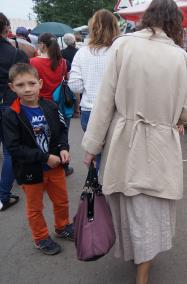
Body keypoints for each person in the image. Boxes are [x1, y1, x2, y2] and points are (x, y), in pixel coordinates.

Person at [81, 0, 187, 282]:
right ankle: (143, 269)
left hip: (125, 140)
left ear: (147, 18)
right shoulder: (180, 56)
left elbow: (105, 102)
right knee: (153, 207)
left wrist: (92, 147)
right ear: (174, 23)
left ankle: (137, 258)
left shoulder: (123, 46)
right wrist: (175, 121)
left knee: (130, 204)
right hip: (161, 144)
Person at [2, 63, 74, 255]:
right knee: (35, 208)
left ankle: (62, 226)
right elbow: (13, 148)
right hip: (30, 171)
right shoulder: (11, 114)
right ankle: (41, 237)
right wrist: (44, 157)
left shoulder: (50, 106)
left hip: (55, 168)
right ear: (12, 87)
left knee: (62, 201)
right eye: (20, 85)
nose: (27, 89)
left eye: (31, 83)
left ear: (40, 84)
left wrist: (63, 148)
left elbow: (61, 131)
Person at [68, 9, 120, 134]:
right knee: (115, 153)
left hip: (90, 111)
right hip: (115, 111)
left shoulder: (81, 53)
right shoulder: (120, 51)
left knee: (93, 152)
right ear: (115, 27)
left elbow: (76, 87)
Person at [30, 33, 74, 176]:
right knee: (62, 134)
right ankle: (64, 164)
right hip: (60, 105)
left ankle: (43, 167)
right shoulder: (63, 62)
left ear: (42, 44)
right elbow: (66, 80)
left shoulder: (34, 62)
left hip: (41, 105)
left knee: (42, 137)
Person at [0, 13, 28, 211]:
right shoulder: (15, 52)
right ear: (7, 27)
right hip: (8, 105)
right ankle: (2, 196)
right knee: (10, 151)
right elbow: (26, 78)